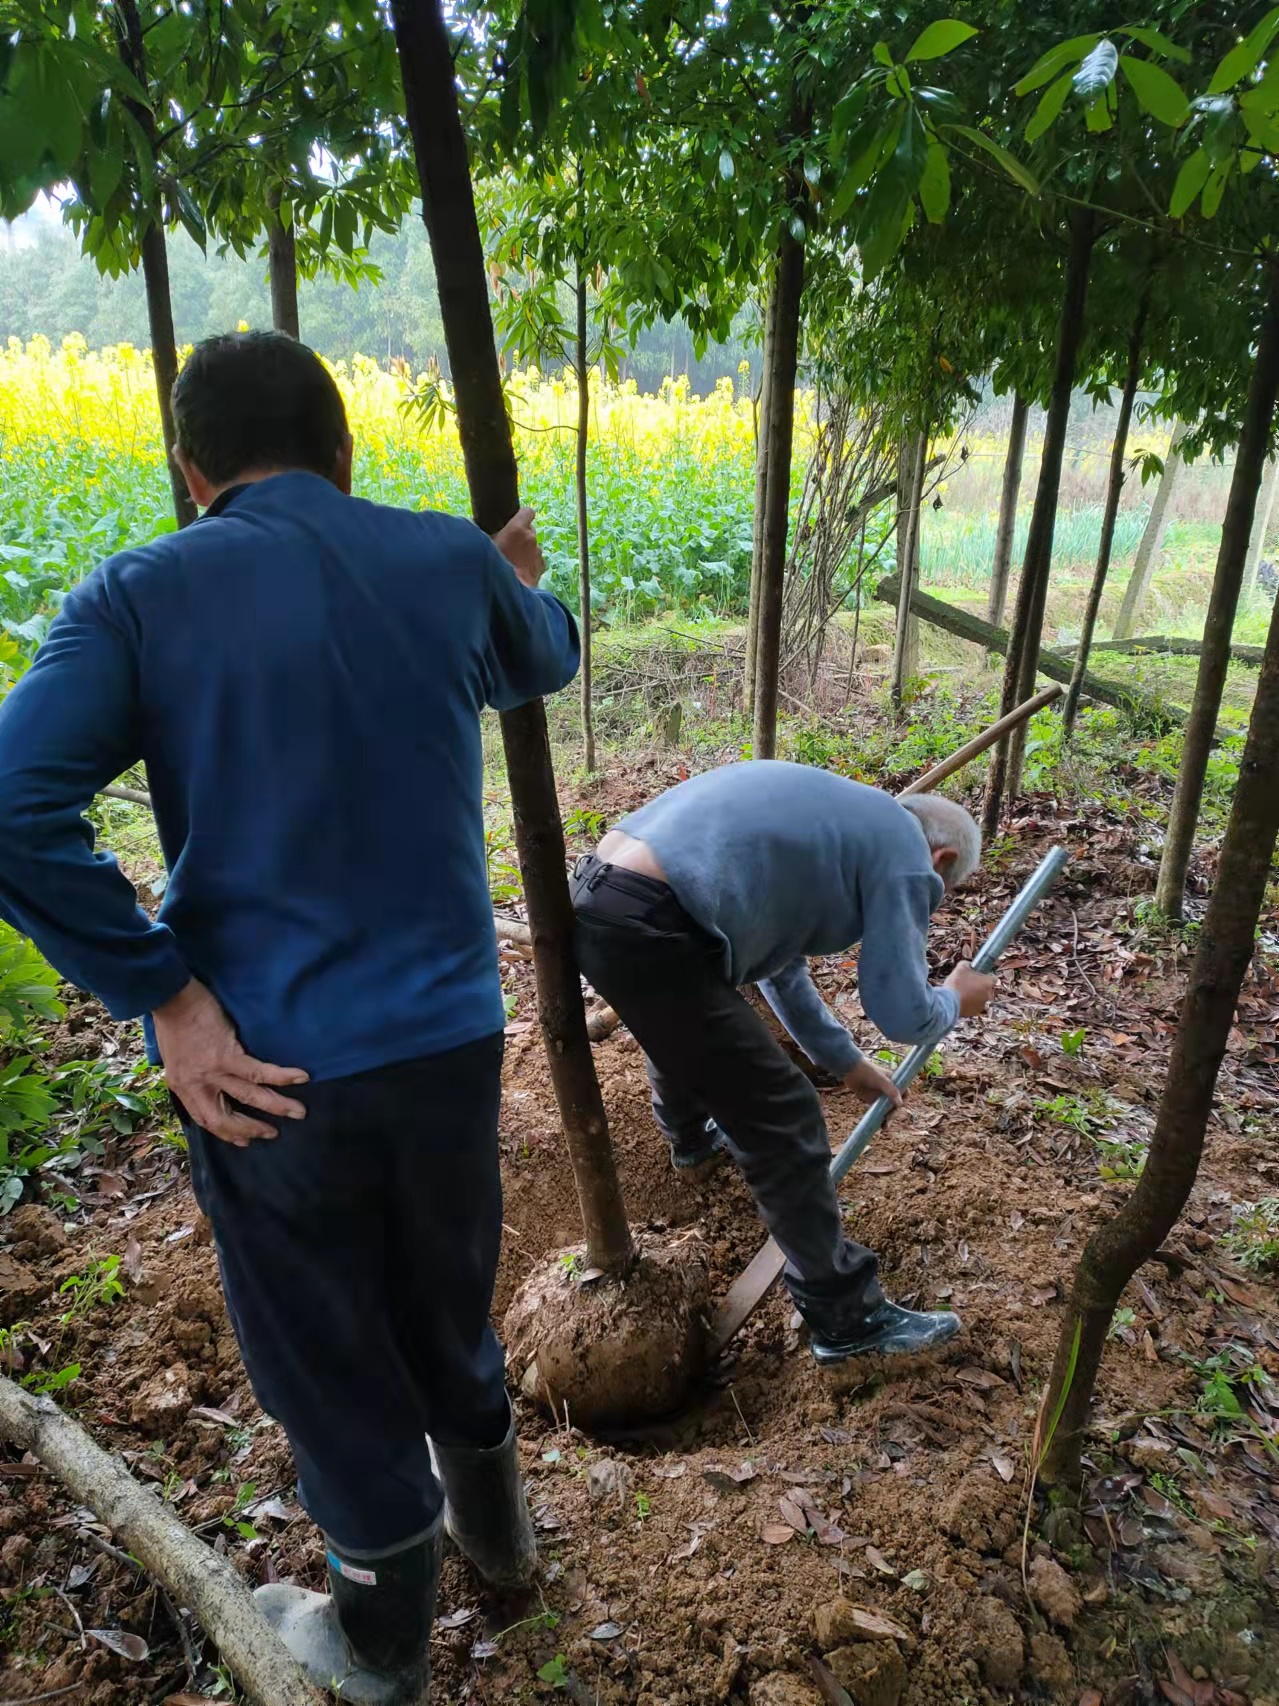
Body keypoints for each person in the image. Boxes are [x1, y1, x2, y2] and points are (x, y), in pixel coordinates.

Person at [0, 331, 579, 1704]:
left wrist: (169, 995)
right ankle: (499, 1545)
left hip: (267, 1066)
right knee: (447, 1305)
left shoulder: (141, 592)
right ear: (344, 451)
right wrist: (504, 581)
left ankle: (380, 1649)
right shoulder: (448, 561)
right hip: (445, 1038)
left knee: (329, 1356)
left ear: (193, 472)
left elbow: (14, 804)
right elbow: (539, 654)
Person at [570, 761, 995, 1366]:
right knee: (786, 1113)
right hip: (658, 924)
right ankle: (848, 1318)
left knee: (686, 1018)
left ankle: (693, 1144)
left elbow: (779, 967)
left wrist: (845, 1063)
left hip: (603, 900)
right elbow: (901, 1010)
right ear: (943, 861)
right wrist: (956, 999)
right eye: (939, 895)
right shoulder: (906, 852)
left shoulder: (840, 825)